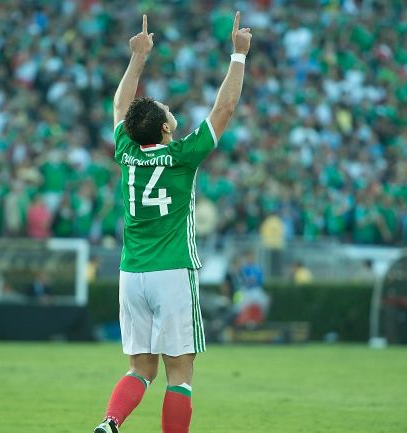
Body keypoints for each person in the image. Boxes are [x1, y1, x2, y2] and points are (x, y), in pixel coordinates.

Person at [92, 13, 251, 433]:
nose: (169, 108)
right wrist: (238, 54)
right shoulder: (183, 156)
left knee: (139, 368)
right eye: (167, 109)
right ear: (165, 127)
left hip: (132, 273)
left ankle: (111, 422)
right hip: (173, 271)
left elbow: (119, 106)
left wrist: (138, 57)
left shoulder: (125, 151)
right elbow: (226, 108)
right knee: (179, 375)